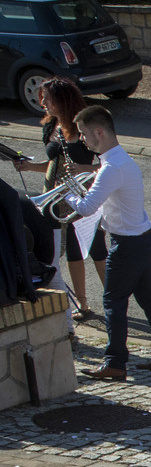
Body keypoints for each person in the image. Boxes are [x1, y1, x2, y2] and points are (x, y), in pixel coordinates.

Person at [67, 106, 151, 381]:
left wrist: (68, 193)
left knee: (112, 300)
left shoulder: (111, 168)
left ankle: (115, 362)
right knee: (147, 297)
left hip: (128, 243)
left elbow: (85, 207)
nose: (82, 139)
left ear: (99, 132)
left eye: (84, 134)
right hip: (141, 238)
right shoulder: (120, 162)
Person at [13, 78, 104, 320]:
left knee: (96, 248)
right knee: (73, 251)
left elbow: (109, 164)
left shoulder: (84, 126)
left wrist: (84, 167)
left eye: (47, 99)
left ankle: (114, 301)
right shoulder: (51, 126)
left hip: (85, 193)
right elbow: (54, 165)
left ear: (61, 101)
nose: (42, 102)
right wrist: (29, 167)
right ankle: (83, 306)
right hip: (57, 197)